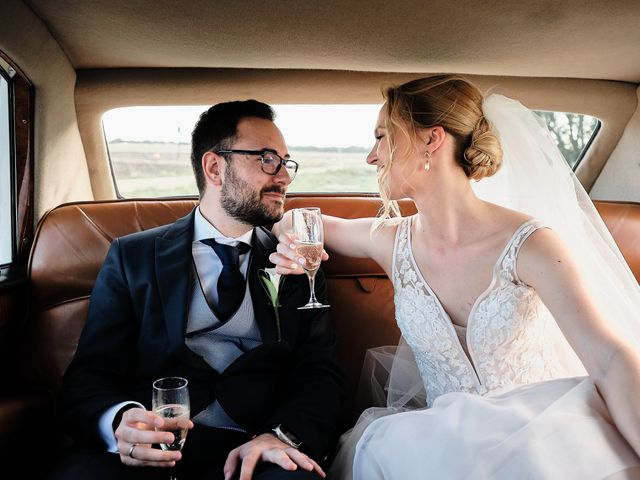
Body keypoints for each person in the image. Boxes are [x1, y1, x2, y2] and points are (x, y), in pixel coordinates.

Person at [270, 75, 640, 479]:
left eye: (381, 136)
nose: (371, 157)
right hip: (440, 447)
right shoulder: (389, 241)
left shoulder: (533, 245)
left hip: (540, 435)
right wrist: (290, 243)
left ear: (432, 140)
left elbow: (609, 358)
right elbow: (294, 221)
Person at [50, 100, 344, 480]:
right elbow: (89, 375)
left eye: (287, 163)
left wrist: (280, 436)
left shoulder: (299, 259)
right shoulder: (133, 256)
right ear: (214, 167)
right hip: (149, 450)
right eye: (269, 159)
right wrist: (121, 421)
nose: (285, 176)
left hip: (254, 451)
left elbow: (320, 373)